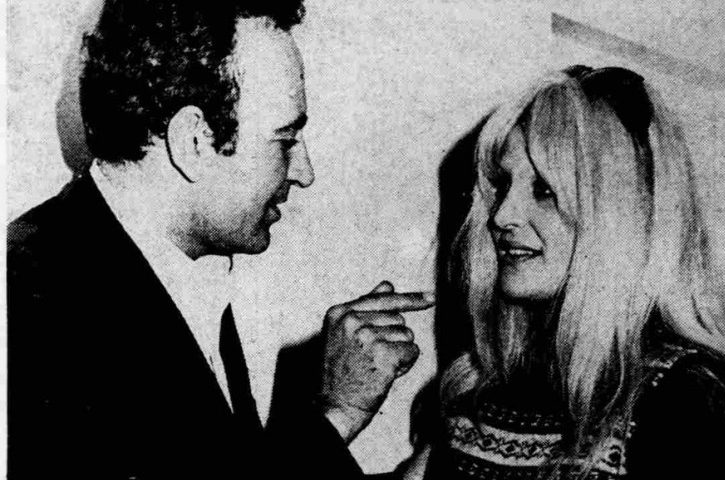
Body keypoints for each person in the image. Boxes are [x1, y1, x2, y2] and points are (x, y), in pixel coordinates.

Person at [7, 1, 434, 478]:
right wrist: (336, 416)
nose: (304, 172)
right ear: (192, 142)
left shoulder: (157, 263)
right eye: (284, 141)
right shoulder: (35, 313)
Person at [415, 66, 725, 479]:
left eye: (544, 190)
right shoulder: (476, 387)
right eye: (501, 185)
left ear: (616, 215)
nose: (501, 215)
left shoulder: (688, 396)